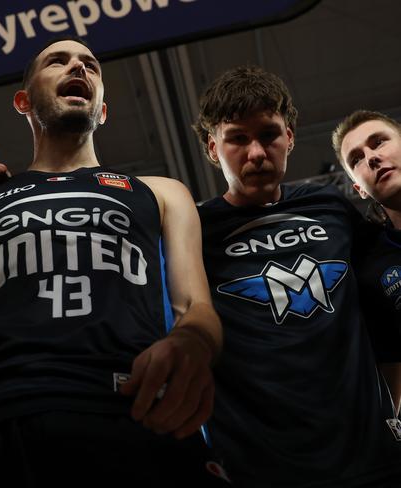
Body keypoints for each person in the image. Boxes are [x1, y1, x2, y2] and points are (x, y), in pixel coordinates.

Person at [0, 38, 231, 487]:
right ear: (23, 101)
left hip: (131, 406)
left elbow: (196, 306)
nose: (78, 66)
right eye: (57, 61)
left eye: (91, 65)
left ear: (102, 111)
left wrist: (194, 342)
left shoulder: (162, 191)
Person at [191, 65, 401, 487]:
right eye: (237, 139)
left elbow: (386, 310)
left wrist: (392, 410)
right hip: (262, 466)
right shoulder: (191, 228)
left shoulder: (331, 208)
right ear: (213, 149)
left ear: (289, 137)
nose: (256, 153)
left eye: (268, 135)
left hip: (372, 457)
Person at [332, 109, 401, 398]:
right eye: (356, 159)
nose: (371, 157)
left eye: (379, 142)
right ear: (359, 188)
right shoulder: (370, 268)